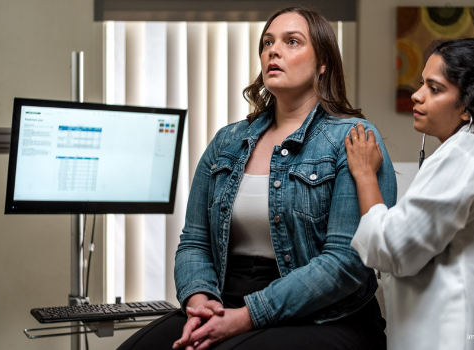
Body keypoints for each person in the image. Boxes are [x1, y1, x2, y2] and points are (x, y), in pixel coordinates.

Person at [117, 6, 397, 350]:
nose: (273, 51)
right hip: (225, 297)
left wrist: (249, 315)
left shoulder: (352, 138)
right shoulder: (227, 140)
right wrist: (199, 299)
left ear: (323, 63)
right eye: (267, 43)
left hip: (326, 312)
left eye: (292, 42)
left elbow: (347, 263)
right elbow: (194, 241)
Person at [343, 38, 474, 350]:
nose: (417, 95)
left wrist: (364, 174)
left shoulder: (468, 155)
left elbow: (391, 249)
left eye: (435, 88)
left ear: (471, 104)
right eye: (421, 84)